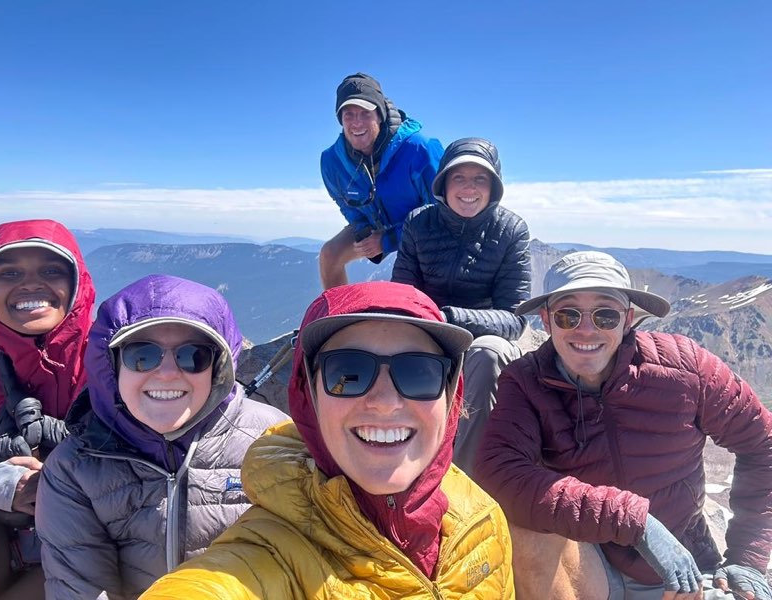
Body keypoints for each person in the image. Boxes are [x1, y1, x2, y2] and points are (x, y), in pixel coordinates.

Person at [140, 281, 515, 599]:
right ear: (309, 394)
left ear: (450, 394)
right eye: (348, 372)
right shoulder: (266, 554)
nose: (385, 402)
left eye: (418, 372)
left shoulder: (482, 518)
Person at [476, 251, 772, 600]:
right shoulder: (526, 381)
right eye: (568, 315)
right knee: (524, 531)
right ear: (546, 319)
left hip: (682, 567)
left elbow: (761, 443)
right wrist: (636, 522)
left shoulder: (685, 368)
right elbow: (501, 472)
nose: (586, 330)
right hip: (587, 566)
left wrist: (748, 557)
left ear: (628, 319)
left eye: (605, 315)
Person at [34, 274, 286, 599]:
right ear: (111, 366)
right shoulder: (75, 469)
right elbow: (81, 590)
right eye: (143, 355)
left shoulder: (272, 442)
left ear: (218, 367)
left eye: (194, 355)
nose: (167, 372)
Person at [0, 219, 95, 600]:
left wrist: (58, 486)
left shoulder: (117, 367)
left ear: (77, 284)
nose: (29, 284)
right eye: (10, 272)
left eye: (51, 270)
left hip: (96, 533)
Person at [392, 137, 531, 474]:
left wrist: (451, 318)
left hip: (483, 334)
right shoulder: (418, 223)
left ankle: (463, 477)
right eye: (459, 177)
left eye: (479, 178)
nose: (469, 188)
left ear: (493, 186)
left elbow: (516, 318)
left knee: (487, 355)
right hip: (430, 327)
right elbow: (403, 291)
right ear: (444, 183)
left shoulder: (511, 230)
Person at [319, 73, 443, 289]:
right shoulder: (332, 161)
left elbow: (441, 212)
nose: (357, 122)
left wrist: (387, 241)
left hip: (424, 230)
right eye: (348, 114)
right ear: (340, 119)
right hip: (377, 225)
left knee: (419, 279)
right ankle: (337, 318)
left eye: (365, 113)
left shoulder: (419, 148)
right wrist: (363, 232)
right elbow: (346, 204)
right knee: (330, 254)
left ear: (380, 115)